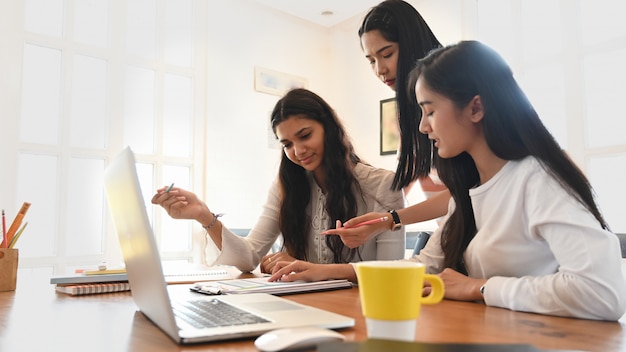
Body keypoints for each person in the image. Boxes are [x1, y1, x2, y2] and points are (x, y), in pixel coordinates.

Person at [269, 41, 626, 321]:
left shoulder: (537, 179)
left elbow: (603, 293)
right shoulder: (467, 193)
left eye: (430, 111)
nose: (423, 127)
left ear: (475, 108)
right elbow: (421, 269)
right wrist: (324, 272)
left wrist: (480, 288)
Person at [151, 88, 406, 274]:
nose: (298, 150)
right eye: (287, 144)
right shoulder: (286, 187)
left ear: (329, 128)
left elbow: (390, 271)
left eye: (305, 135)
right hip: (304, 306)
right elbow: (249, 256)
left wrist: (309, 269)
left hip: (363, 310)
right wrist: (204, 216)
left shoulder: (384, 185)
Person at [327, 0, 450, 249]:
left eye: (387, 54)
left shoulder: (452, 101)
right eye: (371, 60)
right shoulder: (409, 119)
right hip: (453, 240)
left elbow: (465, 197)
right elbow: (393, 187)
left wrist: (388, 219)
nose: (380, 70)